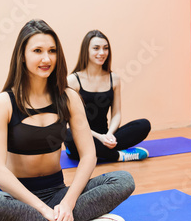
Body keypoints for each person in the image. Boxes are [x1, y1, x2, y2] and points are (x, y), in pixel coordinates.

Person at [0, 20, 135, 221]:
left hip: (59, 193)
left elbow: (89, 156)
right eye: (37, 51)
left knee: (123, 181)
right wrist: (44, 210)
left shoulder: (69, 97)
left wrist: (68, 204)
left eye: (52, 51)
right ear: (22, 55)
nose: (46, 59)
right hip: (19, 200)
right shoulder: (2, 103)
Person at [65, 30, 151, 162]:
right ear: (86, 51)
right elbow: (72, 121)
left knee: (144, 124)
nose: (102, 53)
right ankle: (118, 156)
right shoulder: (72, 80)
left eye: (105, 48)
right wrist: (99, 137)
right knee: (68, 133)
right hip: (83, 136)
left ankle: (103, 151)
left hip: (106, 136)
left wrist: (109, 135)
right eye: (96, 48)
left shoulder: (114, 79)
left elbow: (116, 114)